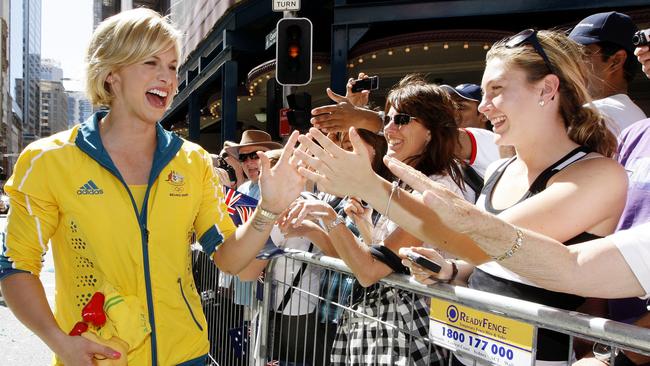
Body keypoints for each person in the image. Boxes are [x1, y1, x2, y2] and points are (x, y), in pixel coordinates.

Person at [295, 29, 628, 365]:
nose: (484, 106)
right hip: (465, 351)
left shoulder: (597, 176)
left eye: (496, 90)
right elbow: (485, 261)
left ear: (547, 88)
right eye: (484, 93)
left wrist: (369, 186)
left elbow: (483, 242)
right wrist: (452, 270)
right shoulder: (500, 170)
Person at [0, 9, 304, 366]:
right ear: (111, 74)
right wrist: (61, 343)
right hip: (97, 356)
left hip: (188, 355)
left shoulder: (191, 162)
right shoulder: (48, 160)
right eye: (150, 62)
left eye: (173, 66)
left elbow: (229, 257)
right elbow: (16, 267)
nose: (167, 77)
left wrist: (269, 208)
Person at [569, 11, 646, 134]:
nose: (572, 64)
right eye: (570, 55)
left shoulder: (593, 115)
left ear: (616, 60)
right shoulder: (637, 116)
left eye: (582, 55)